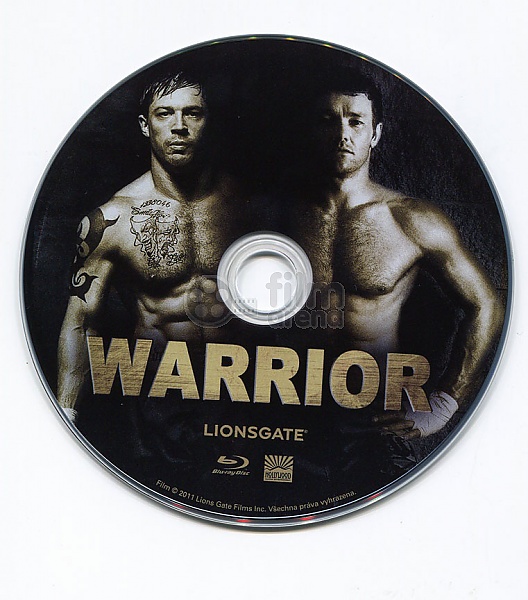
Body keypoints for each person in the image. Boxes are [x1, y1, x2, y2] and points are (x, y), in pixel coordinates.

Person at [291, 72, 504, 441]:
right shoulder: (275, 217)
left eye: (356, 121)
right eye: (328, 121)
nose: (342, 134)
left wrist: (444, 405)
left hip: (375, 418)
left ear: (375, 134)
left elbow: (486, 304)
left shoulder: (410, 220)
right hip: (284, 403)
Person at [57, 71, 251, 422]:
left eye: (193, 113)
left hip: (246, 394)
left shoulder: (249, 207)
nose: (179, 126)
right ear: (145, 126)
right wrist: (66, 413)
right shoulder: (114, 220)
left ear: (209, 121)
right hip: (159, 402)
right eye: (164, 114)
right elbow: (83, 322)